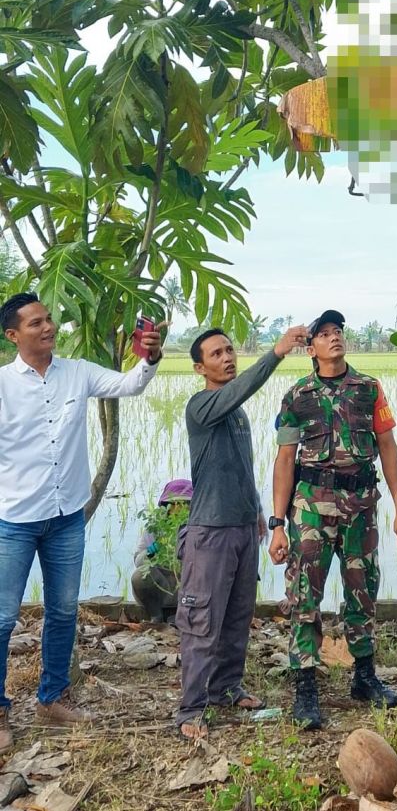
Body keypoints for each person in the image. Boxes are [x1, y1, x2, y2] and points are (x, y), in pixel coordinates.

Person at [0, 292, 163, 752]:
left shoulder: (78, 372)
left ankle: (51, 699)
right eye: (35, 323)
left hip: (67, 517)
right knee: (3, 618)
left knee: (63, 611)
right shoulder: (2, 385)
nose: (47, 327)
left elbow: (130, 385)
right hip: (13, 520)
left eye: (48, 319)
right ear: (14, 335)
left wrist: (148, 358)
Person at [268, 309, 397, 731]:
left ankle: (365, 678)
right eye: (325, 334)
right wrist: (278, 524)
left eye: (338, 332)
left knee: (363, 591)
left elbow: (387, 446)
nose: (335, 338)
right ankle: (306, 690)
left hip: (361, 509)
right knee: (304, 597)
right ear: (310, 347)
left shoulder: (369, 389)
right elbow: (284, 461)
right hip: (311, 510)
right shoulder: (297, 396)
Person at [175, 322, 306, 741]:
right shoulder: (202, 406)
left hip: (242, 529)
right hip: (209, 533)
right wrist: (277, 352)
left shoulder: (237, 415)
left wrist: (259, 514)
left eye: (229, 350)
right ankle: (191, 709)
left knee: (237, 614)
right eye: (216, 354)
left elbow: (241, 468)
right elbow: (240, 390)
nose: (227, 358)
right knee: (202, 622)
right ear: (200, 368)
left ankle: (227, 688)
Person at [131, 479, 193, 624]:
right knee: (140, 577)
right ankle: (156, 616)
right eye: (174, 504)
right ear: (166, 507)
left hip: (191, 587)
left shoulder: (199, 527)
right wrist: (153, 550)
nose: (179, 509)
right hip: (162, 587)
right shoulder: (155, 527)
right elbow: (139, 562)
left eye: (184, 505)